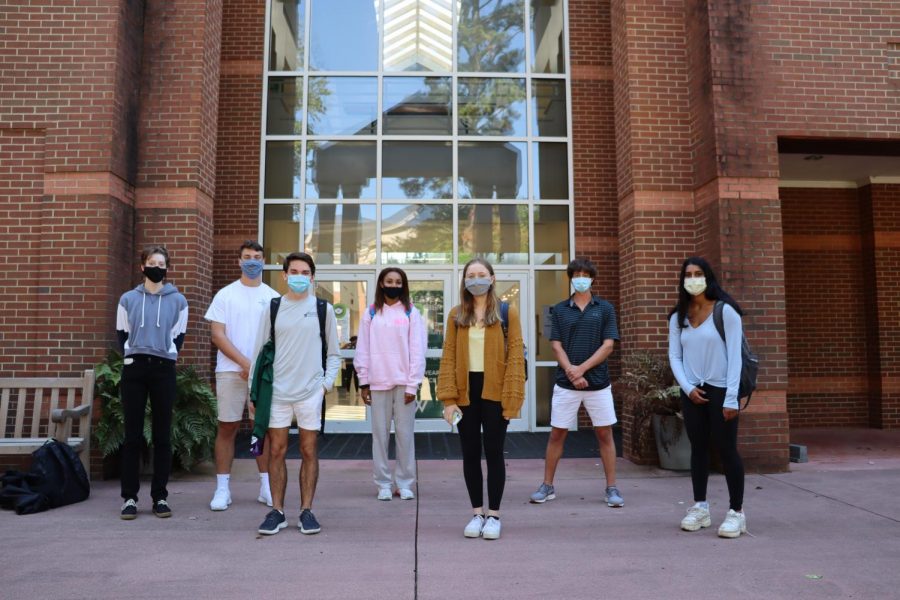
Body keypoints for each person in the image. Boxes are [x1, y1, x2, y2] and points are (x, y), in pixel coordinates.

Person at [251, 252, 340, 536]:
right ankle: (277, 511)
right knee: (275, 450)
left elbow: (335, 354)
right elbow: (258, 352)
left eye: (305, 272)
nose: (299, 276)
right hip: (276, 392)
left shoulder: (323, 309)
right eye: (294, 271)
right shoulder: (273, 307)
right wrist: (253, 395)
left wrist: (324, 386)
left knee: (308, 450)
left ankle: (306, 511)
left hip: (309, 394)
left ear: (312, 277)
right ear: (285, 275)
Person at [437, 258, 525, 540]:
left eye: (481, 274)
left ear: (492, 278)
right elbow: (448, 357)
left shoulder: (506, 312)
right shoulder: (455, 315)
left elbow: (515, 360)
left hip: (496, 390)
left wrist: (512, 400)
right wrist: (448, 398)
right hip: (465, 391)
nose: (476, 279)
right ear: (464, 281)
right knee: (470, 453)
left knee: (495, 452)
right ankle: (477, 513)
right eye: (471, 275)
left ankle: (494, 516)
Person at [529, 258, 623, 508]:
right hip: (566, 384)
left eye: (585, 274)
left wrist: (581, 369)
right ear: (570, 277)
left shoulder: (605, 308)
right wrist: (572, 372)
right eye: (576, 274)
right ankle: (547, 486)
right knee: (557, 433)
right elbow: (555, 345)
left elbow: (608, 345)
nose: (581, 278)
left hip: (598, 384)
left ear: (593, 278)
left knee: (604, 434)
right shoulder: (559, 310)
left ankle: (611, 488)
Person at [668, 256, 747, 539]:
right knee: (698, 449)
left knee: (727, 450)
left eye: (698, 273)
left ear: (708, 276)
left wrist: (731, 398)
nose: (693, 278)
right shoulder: (679, 315)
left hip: (722, 390)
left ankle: (736, 513)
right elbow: (675, 356)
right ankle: (700, 507)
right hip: (693, 391)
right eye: (687, 274)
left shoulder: (725, 311)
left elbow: (736, 357)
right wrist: (687, 387)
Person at [204, 241, 280, 511]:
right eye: (247, 257)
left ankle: (266, 487)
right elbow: (217, 335)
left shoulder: (272, 297)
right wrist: (244, 362)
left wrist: (257, 366)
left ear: (264, 261)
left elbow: (276, 338)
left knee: (263, 430)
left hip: (261, 374)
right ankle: (222, 489)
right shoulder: (225, 295)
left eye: (257, 257)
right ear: (238, 261)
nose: (252, 261)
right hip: (229, 371)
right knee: (227, 427)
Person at [116, 246, 189, 520]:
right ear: (142, 266)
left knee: (162, 436)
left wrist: (166, 356)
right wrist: (133, 355)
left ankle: (160, 496)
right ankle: (129, 498)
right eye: (151, 262)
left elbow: (178, 336)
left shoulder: (178, 301)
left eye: (161, 263)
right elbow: (122, 334)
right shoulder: (127, 299)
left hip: (163, 369)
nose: (156, 266)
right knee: (132, 435)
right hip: (134, 368)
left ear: (166, 268)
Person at [354, 267, 427, 501]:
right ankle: (383, 483)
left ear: (403, 285)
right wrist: (363, 381)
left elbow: (417, 350)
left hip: (403, 384)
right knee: (380, 436)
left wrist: (412, 384)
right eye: (389, 281)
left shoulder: (411, 312)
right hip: (377, 383)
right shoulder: (372, 312)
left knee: (405, 436)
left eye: (398, 281)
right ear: (382, 284)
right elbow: (362, 348)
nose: (393, 285)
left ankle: (405, 483)